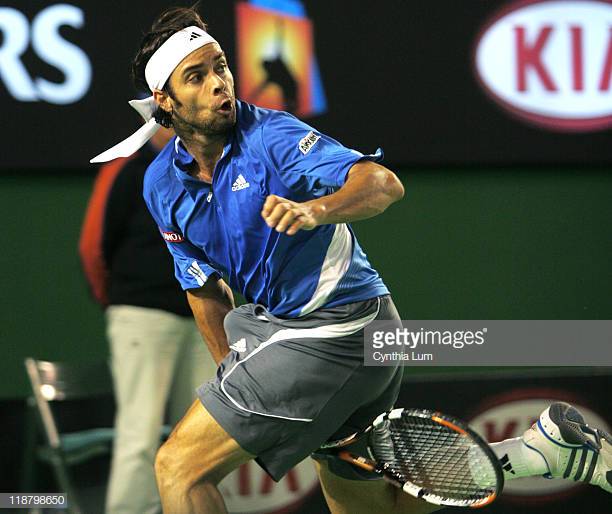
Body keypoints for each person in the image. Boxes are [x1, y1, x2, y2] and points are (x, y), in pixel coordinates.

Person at [90, 7, 612, 513]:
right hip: (325, 339)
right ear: (166, 100)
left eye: (221, 66)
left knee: (179, 467)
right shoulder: (160, 182)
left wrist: (317, 210)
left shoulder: (271, 136)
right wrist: (235, 371)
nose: (219, 84)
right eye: (197, 77)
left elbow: (382, 183)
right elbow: (202, 286)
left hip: (340, 331)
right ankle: (540, 452)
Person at [80, 124, 216, 514]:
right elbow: (93, 246)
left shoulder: (206, 169)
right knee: (139, 434)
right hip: (141, 314)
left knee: (201, 437)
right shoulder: (126, 167)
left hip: (200, 317)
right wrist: (124, 303)